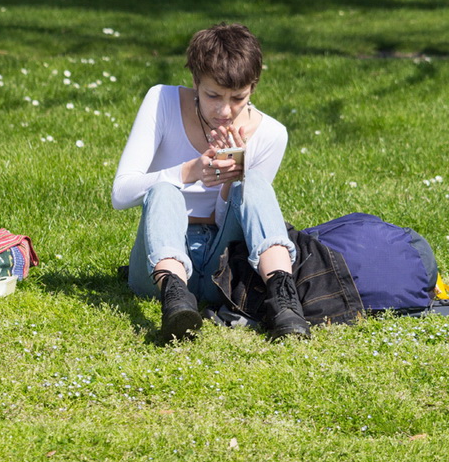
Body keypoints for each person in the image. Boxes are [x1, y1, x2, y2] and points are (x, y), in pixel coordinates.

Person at [111, 23, 310, 342]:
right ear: (195, 82)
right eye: (213, 95)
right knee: (164, 190)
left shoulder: (272, 134)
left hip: (221, 267)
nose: (224, 110)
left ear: (253, 87)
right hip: (158, 265)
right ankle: (176, 300)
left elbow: (230, 222)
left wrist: (231, 180)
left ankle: (284, 300)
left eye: (238, 98)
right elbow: (120, 194)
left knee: (253, 182)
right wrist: (187, 172)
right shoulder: (162, 100)